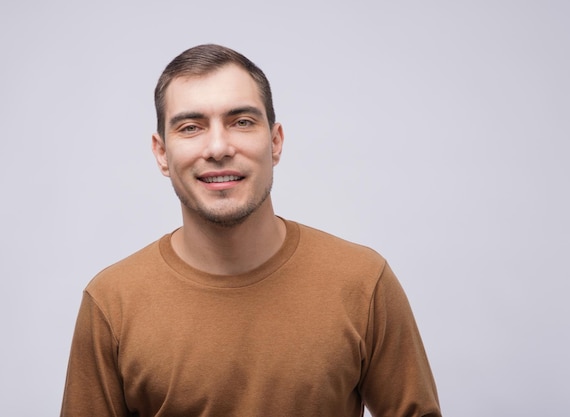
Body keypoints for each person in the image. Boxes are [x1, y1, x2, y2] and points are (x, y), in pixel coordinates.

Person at [60, 44, 442, 417]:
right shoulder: (112, 302)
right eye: (191, 127)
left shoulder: (362, 281)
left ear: (275, 142)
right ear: (162, 153)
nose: (218, 147)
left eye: (241, 122)